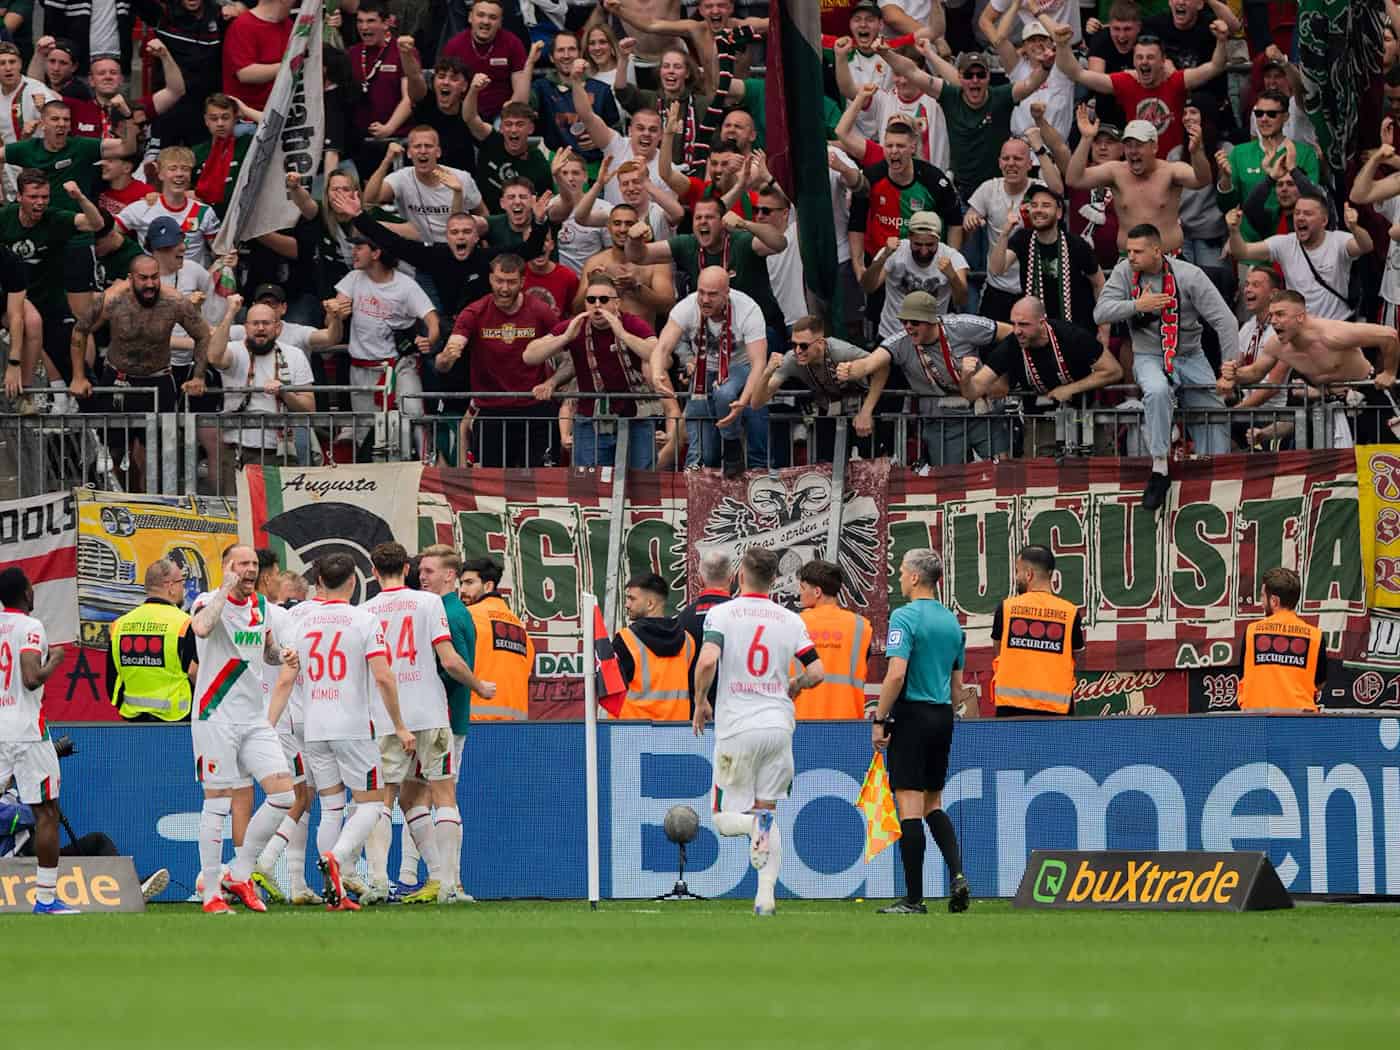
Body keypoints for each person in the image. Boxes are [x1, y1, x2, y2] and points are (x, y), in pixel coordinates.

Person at [266, 552, 412, 912]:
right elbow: (382, 675)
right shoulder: (364, 620)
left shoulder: (302, 624)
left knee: (331, 809)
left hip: (314, 728)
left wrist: (266, 726)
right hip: (352, 727)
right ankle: (339, 857)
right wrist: (399, 724)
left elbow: (286, 679)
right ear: (353, 581)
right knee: (372, 803)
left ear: (319, 581)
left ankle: (333, 886)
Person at [691, 547, 824, 917]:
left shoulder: (722, 613)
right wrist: (794, 685)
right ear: (774, 580)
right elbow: (818, 673)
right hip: (778, 726)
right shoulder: (790, 620)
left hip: (737, 726)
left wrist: (701, 700)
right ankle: (765, 898)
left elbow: (707, 660)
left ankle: (753, 827)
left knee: (722, 818)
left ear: (739, 575)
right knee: (768, 811)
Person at [362, 541, 482, 905]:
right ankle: (447, 884)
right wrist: (480, 686)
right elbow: (448, 659)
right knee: (443, 795)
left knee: (382, 799)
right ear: (409, 569)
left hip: (386, 716)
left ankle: (380, 880)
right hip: (430, 711)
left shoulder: (366, 610)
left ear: (372, 570)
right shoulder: (429, 604)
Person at [188, 545, 297, 915]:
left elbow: (264, 652)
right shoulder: (207, 600)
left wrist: (282, 654)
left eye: (254, 564)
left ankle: (240, 872)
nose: (251, 569)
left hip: (253, 718)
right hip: (215, 715)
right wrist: (224, 589)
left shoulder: (262, 608)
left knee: (284, 795)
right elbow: (201, 629)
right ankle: (211, 892)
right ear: (227, 567)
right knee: (217, 803)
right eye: (243, 564)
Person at [1094, 223, 1233, 509]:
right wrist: (1137, 306)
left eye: (1137, 251)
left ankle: (1218, 476)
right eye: (1128, 251)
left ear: (1157, 250)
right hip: (1148, 355)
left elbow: (1225, 321)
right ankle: (1159, 468)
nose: (1130, 257)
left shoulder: (1189, 274)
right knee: (1156, 391)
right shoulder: (1123, 272)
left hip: (1190, 354)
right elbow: (1101, 312)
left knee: (1213, 411)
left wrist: (1229, 370)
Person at [871, 549, 970, 915]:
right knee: (934, 803)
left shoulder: (905, 616)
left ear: (915, 577)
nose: (898, 578)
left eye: (901, 572)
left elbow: (896, 674)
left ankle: (914, 899)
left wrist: (880, 718)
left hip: (912, 715)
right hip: (942, 715)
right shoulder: (952, 623)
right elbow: (958, 685)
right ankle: (957, 873)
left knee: (910, 808)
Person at [837, 291, 1013, 467]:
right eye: (904, 321)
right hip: (941, 421)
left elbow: (1012, 334)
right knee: (950, 481)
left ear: (932, 320)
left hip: (983, 414)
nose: (908, 327)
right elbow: (870, 363)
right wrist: (852, 371)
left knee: (1002, 472)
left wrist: (1002, 375)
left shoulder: (961, 325)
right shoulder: (900, 342)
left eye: (914, 322)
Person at [1219, 291, 1400, 445]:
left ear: (1300, 317)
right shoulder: (1276, 345)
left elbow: (1389, 335)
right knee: (1338, 473)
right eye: (1271, 315)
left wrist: (1389, 372)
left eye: (1280, 314)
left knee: (1387, 460)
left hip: (1367, 397)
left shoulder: (1332, 334)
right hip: (1326, 408)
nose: (1273, 321)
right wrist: (1235, 374)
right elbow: (1255, 373)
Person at [415, 543, 491, 900]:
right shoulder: (440, 609)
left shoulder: (451, 614)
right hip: (435, 718)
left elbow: (455, 666)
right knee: (419, 798)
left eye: (429, 571)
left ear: (450, 575)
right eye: (421, 570)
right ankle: (439, 879)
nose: (421, 576)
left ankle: (448, 880)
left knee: (432, 797)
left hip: (444, 719)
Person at [522, 273, 660, 468]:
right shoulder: (575, 326)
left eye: (604, 300)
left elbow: (659, 354)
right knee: (590, 486)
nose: (597, 305)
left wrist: (622, 334)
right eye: (591, 299)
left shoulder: (631, 323)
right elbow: (529, 356)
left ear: (617, 303)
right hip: (590, 418)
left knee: (642, 481)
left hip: (635, 417)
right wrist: (565, 338)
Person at [0, 566, 75, 914]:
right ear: (26, 593)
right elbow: (31, 678)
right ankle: (45, 899)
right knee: (46, 811)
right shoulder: (31, 627)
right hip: (28, 732)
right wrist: (55, 659)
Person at [1049, 14, 1227, 159]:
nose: (1144, 62)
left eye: (1150, 57)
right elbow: (1076, 73)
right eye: (1140, 57)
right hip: (1137, 166)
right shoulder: (1126, 82)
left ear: (1163, 61)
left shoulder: (1177, 81)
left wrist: (1221, 40)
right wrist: (1062, 45)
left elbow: (1215, 67)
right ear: (1133, 60)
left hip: (1173, 166)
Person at [440, 253, 560, 468]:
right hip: (491, 409)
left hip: (535, 407)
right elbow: (450, 352)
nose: (504, 288)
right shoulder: (474, 312)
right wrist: (446, 358)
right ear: (490, 279)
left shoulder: (540, 311)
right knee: (491, 481)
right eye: (499, 281)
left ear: (523, 282)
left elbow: (568, 354)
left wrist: (553, 382)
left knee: (541, 479)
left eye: (512, 282)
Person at [965, 296, 1123, 457]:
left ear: (1042, 323)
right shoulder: (1011, 345)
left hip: (1084, 412)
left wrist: (1071, 388)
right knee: (1037, 473)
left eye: (1024, 324)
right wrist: (965, 378)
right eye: (1013, 323)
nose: (1016, 330)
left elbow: (1114, 371)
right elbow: (974, 389)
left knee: (1102, 463)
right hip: (1039, 419)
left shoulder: (1071, 335)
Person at [649, 267, 769, 477]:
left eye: (712, 294)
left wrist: (744, 399)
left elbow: (759, 363)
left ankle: (732, 446)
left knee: (725, 392)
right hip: (704, 370)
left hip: (740, 367)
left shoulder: (748, 309)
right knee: (702, 442)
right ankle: (698, 469)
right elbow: (662, 347)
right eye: (701, 292)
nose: (704, 299)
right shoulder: (687, 306)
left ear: (727, 292)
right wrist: (657, 374)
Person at [331, 231, 439, 456]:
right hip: (360, 367)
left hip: (398, 364)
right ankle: (372, 479)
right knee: (365, 427)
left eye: (359, 247)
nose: (353, 252)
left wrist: (429, 339)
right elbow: (337, 309)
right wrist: (334, 312)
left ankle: (426, 463)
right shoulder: (353, 278)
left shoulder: (405, 285)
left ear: (376, 253)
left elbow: (432, 320)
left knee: (413, 411)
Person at [205, 294, 316, 496]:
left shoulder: (294, 355)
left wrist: (284, 392)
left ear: (278, 328)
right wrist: (230, 313)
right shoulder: (234, 350)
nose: (260, 328)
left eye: (266, 323)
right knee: (238, 514)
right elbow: (213, 356)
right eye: (255, 323)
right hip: (237, 449)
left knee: (276, 514)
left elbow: (309, 407)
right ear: (246, 327)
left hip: (280, 451)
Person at [1065, 108, 1211, 255]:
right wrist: (1086, 139)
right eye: (1128, 145)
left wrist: (1197, 152)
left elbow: (1202, 180)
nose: (1133, 151)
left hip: (1168, 258)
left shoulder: (1171, 171)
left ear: (1154, 147)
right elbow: (1074, 180)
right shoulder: (1116, 172)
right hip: (1129, 260)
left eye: (1139, 145)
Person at [754, 314, 889, 461]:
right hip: (829, 413)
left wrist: (866, 412)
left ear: (820, 343)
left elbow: (882, 367)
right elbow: (757, 403)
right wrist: (767, 373)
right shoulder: (791, 359)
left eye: (803, 346)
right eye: (793, 345)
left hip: (859, 411)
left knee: (869, 465)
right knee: (825, 466)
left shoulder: (842, 351)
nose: (798, 351)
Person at [1226, 196, 1371, 322]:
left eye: (1308, 214)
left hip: (1336, 325)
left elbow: (1365, 246)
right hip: (1301, 328)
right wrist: (1234, 231)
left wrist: (1354, 228)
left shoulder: (1338, 240)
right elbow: (1242, 252)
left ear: (1324, 220)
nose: (1300, 217)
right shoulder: (1284, 244)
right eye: (1297, 213)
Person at [990, 185, 1104, 328]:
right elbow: (997, 269)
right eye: (1034, 205)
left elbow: (1099, 283)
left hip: (1076, 328)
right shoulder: (1022, 239)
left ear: (1059, 213)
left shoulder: (1076, 244)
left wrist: (1103, 327)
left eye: (1046, 205)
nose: (1038, 210)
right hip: (1036, 328)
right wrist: (1005, 233)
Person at [990, 545, 1085, 717]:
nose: (1016, 576)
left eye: (1018, 571)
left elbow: (998, 650)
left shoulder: (1006, 608)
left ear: (1029, 574)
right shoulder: (1070, 612)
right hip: (1056, 709)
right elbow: (1077, 655)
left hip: (1012, 709)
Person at [106, 558, 196, 723]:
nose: (183, 588)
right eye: (181, 582)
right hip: (178, 720)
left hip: (133, 719)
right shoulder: (185, 624)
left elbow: (112, 681)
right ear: (170, 586)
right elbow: (194, 673)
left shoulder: (119, 625)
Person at [862, 210, 970, 340]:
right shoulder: (895, 251)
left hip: (931, 338)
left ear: (938, 239)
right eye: (918, 244)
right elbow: (868, 287)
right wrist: (883, 257)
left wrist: (952, 276)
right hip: (891, 335)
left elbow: (961, 300)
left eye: (930, 245)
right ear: (909, 237)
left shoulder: (952, 256)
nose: (924, 251)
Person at [1234, 567, 1329, 712]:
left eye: (1262, 596)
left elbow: (1243, 675)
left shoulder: (1252, 632)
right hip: (1300, 722)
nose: (1261, 602)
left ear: (1274, 601)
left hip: (1256, 723)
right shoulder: (1315, 635)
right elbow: (1320, 682)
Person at [794, 560, 871, 720]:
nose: (799, 592)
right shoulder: (861, 626)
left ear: (817, 592)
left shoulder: (794, 623)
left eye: (802, 588)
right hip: (848, 723)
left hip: (800, 721)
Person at [611, 573, 694, 721]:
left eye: (632, 599)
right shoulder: (688, 641)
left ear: (650, 604)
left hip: (632, 732)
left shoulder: (625, 640)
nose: (627, 604)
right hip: (676, 732)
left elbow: (611, 690)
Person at [461, 557, 533, 722]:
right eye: (462, 583)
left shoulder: (468, 616)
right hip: (517, 725)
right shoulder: (520, 628)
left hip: (475, 721)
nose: (463, 589)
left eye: (469, 582)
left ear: (488, 586)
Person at [440, 0, 529, 123]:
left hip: (501, 113)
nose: (486, 22)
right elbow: (446, 87)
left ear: (500, 22)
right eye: (480, 15)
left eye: (493, 17)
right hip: (464, 112)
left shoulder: (513, 44)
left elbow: (520, 93)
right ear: (470, 17)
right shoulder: (454, 45)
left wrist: (508, 115)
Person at [679, 549, 732, 715]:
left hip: (696, 713)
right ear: (732, 577)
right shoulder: (743, 616)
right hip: (735, 711)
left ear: (700, 579)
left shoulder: (683, 618)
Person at [221, 0, 293, 112]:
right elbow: (245, 73)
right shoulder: (243, 25)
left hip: (281, 110)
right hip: (249, 117)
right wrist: (290, 65)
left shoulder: (287, 23)